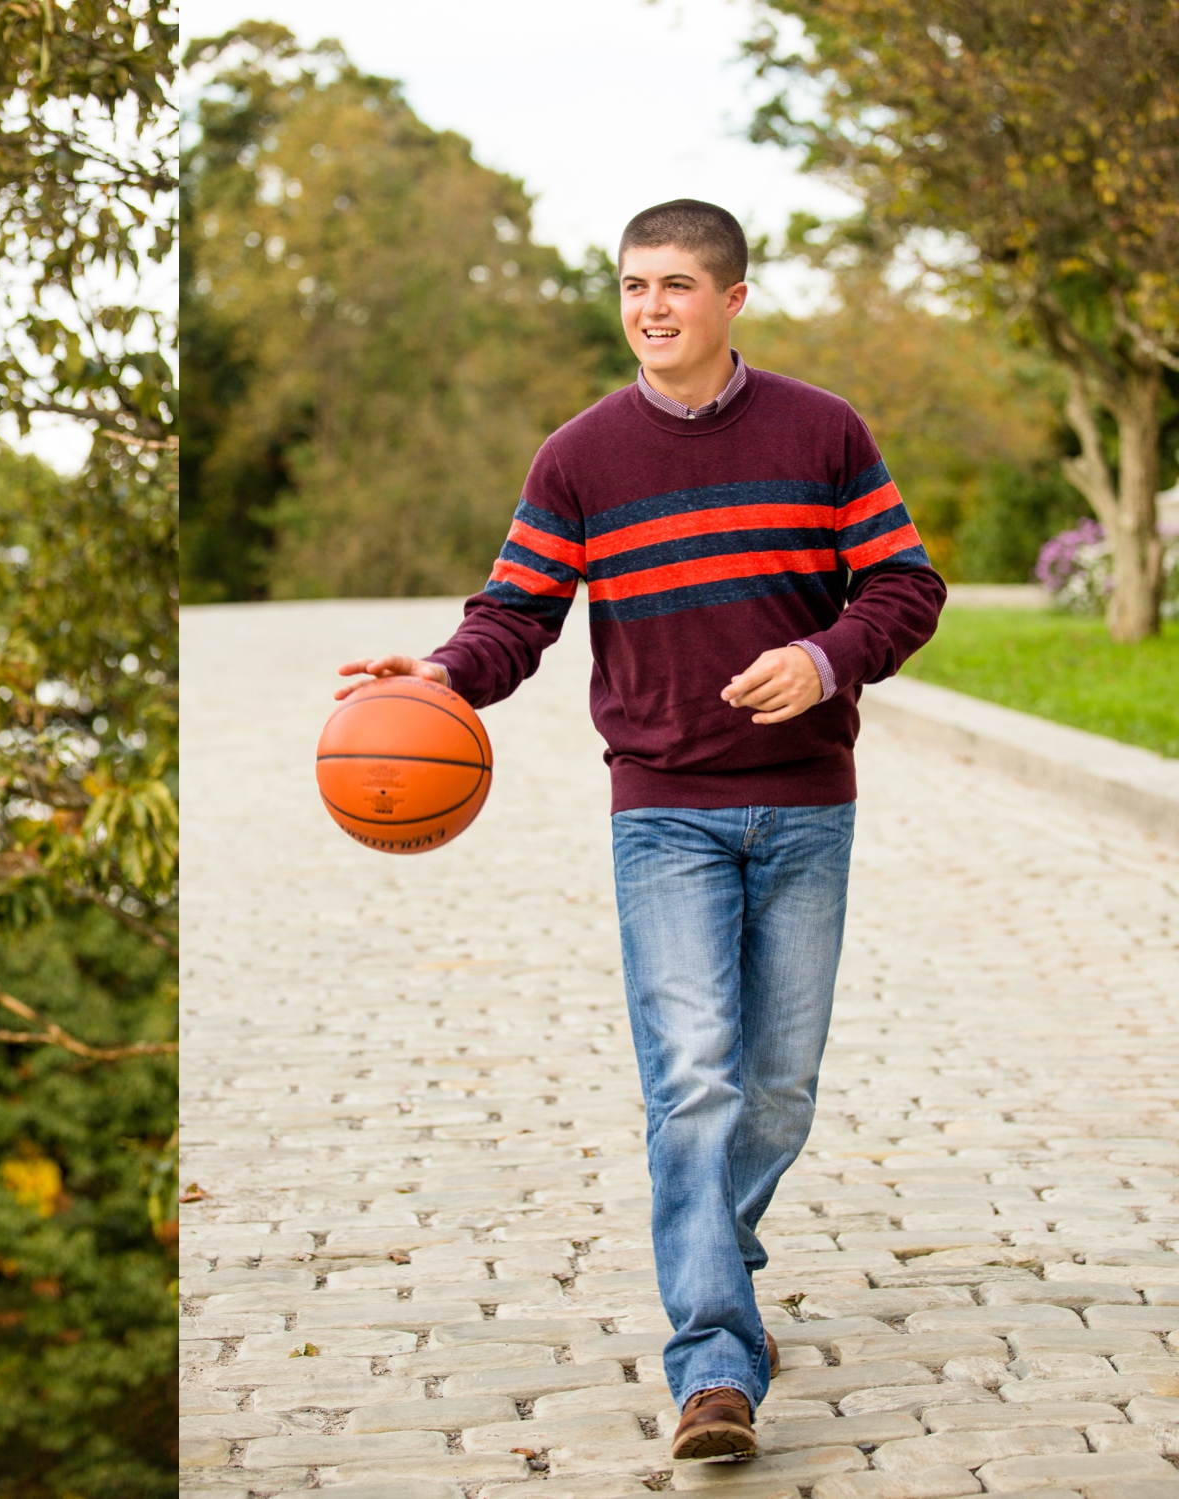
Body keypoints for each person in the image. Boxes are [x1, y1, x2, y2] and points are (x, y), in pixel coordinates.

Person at [336, 199, 943, 1458]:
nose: (649, 307)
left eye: (673, 285)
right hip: (661, 807)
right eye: (629, 286)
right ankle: (714, 1361)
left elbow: (904, 584)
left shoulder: (821, 430)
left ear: (730, 298)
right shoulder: (578, 457)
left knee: (774, 1090)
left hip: (803, 805)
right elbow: (516, 610)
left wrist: (825, 659)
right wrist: (444, 675)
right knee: (694, 1083)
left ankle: (715, 1247)